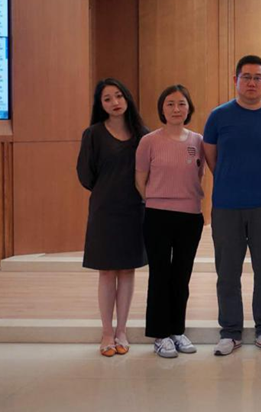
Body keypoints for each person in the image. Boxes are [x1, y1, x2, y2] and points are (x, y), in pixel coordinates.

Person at [203, 55, 261, 356]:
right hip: (226, 207)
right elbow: (212, 159)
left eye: (258, 77)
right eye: (246, 77)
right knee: (227, 273)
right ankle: (230, 332)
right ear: (236, 80)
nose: (252, 82)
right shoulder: (218, 117)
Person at [77, 78, 149, 357]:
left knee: (128, 270)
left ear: (127, 98)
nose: (115, 102)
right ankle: (107, 331)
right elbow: (86, 175)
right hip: (104, 211)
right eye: (107, 99)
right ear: (100, 105)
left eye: (119, 96)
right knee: (107, 271)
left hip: (134, 210)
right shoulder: (93, 134)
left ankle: (122, 330)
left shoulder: (143, 134)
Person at [134, 85, 206, 359]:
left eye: (181, 104)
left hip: (190, 217)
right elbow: (140, 180)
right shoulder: (149, 141)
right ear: (162, 109)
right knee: (160, 275)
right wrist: (158, 200)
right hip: (157, 216)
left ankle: (177, 330)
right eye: (170, 104)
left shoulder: (198, 141)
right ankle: (159, 334)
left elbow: (198, 176)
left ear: (189, 108)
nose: (176, 109)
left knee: (182, 276)